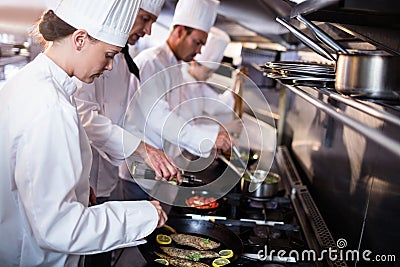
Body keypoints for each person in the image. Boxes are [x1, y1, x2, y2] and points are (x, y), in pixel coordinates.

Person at [0, 0, 168, 266]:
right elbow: (59, 229)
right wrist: (144, 215)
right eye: (109, 54)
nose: (110, 66)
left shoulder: (27, 82)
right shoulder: (51, 106)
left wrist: (76, 187)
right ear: (80, 39)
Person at [74, 0, 178, 205]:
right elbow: (85, 118)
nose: (148, 31)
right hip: (80, 180)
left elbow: (130, 117)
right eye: (145, 19)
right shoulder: (85, 55)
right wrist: (141, 148)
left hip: (107, 179)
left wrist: (151, 156)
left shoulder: (122, 61)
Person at [127, 0, 233, 164]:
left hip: (165, 164)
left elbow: (181, 114)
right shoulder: (152, 63)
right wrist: (207, 139)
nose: (198, 52)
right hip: (142, 166)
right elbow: (158, 117)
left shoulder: (175, 67)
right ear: (179, 32)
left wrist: (213, 133)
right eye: (197, 43)